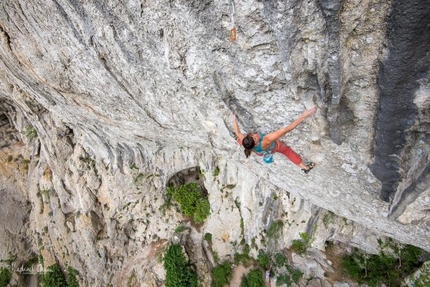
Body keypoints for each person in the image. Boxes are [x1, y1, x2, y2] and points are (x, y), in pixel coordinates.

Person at [233, 107, 317, 173]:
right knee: (287, 151)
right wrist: (302, 116)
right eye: (255, 138)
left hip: (259, 152)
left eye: (252, 135)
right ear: (255, 143)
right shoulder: (266, 140)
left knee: (241, 140)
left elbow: (237, 133)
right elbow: (286, 129)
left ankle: (239, 142)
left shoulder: (246, 141)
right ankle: (304, 167)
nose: (255, 135)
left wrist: (234, 120)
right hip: (273, 147)